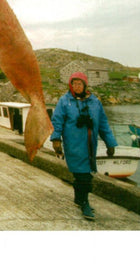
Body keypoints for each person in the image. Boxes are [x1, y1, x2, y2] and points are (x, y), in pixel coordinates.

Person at [50, 72, 118, 221]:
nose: (76, 86)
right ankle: (85, 203)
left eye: (79, 84)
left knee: (81, 174)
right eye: (74, 84)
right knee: (84, 176)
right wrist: (56, 140)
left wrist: (110, 143)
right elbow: (57, 121)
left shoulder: (94, 102)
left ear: (85, 85)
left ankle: (78, 199)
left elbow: (103, 124)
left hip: (90, 146)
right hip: (74, 145)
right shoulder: (64, 101)